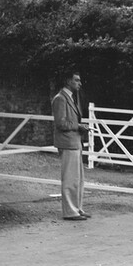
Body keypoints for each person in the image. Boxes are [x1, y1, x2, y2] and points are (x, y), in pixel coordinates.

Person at [52, 70, 90, 221]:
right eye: (77, 80)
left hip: (75, 142)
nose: (80, 83)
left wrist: (79, 127)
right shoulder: (60, 99)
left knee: (77, 179)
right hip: (68, 143)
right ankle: (70, 211)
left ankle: (77, 208)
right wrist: (78, 126)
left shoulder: (70, 98)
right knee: (70, 179)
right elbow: (61, 123)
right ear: (68, 81)